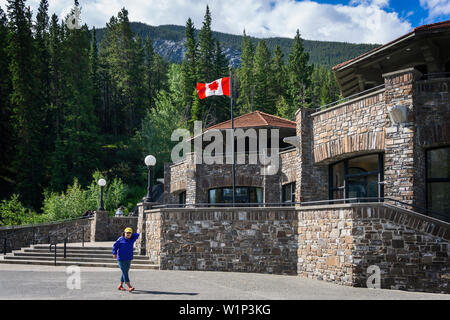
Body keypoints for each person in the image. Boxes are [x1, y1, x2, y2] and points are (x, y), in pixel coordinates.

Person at [112, 227, 140, 292]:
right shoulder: (120, 239)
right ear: (124, 233)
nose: (128, 234)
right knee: (125, 272)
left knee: (125, 272)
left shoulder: (132, 239)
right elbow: (115, 246)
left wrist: (131, 234)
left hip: (128, 258)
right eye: (127, 233)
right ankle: (129, 286)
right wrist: (114, 253)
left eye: (129, 233)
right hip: (121, 259)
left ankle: (120, 285)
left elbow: (137, 234)